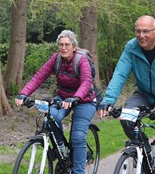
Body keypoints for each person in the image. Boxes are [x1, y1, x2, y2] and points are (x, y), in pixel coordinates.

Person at [98, 15, 155, 174]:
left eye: (146, 31)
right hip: (145, 94)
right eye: (138, 31)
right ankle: (145, 151)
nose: (141, 35)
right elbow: (120, 74)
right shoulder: (131, 47)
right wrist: (108, 100)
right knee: (126, 118)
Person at [15, 30, 96, 174]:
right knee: (51, 116)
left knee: (77, 137)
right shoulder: (56, 59)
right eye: (61, 45)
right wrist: (23, 93)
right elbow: (39, 76)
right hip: (63, 98)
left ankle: (78, 171)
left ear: (74, 47)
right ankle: (62, 150)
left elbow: (86, 82)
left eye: (67, 45)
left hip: (84, 100)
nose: (63, 48)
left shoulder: (81, 60)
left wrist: (76, 98)